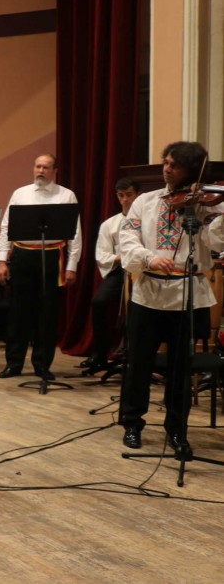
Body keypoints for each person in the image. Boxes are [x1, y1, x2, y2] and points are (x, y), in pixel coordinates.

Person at [118, 141, 221, 451]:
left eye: (174, 165)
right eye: (166, 162)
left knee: (181, 369)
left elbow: (217, 242)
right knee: (138, 364)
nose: (166, 169)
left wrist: (216, 211)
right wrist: (149, 257)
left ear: (191, 170)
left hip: (188, 294)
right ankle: (132, 423)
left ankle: (177, 430)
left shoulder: (208, 205)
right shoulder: (145, 201)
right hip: (148, 294)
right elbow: (127, 238)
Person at [0, 154, 82, 381]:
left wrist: (71, 265)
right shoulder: (20, 194)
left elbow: (75, 233)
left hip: (52, 256)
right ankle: (13, 364)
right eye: (38, 166)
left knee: (47, 314)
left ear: (55, 171)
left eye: (46, 167)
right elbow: (6, 228)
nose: (41, 170)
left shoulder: (66, 195)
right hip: (22, 255)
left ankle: (42, 365)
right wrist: (2, 260)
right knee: (18, 313)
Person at [82, 178, 139, 370]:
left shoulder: (146, 221)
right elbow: (102, 255)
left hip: (142, 271)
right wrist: (121, 257)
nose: (125, 200)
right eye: (121, 195)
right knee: (99, 302)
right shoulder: (110, 224)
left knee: (137, 310)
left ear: (137, 195)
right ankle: (100, 353)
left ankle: (136, 355)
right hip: (120, 270)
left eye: (129, 195)